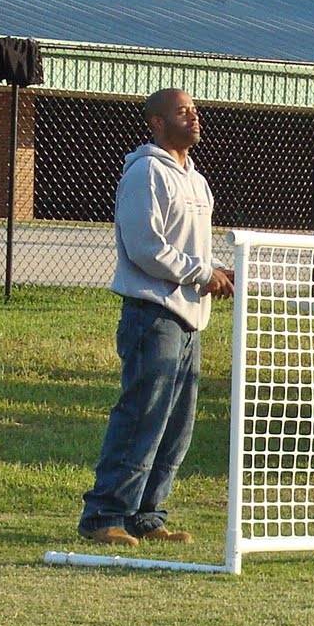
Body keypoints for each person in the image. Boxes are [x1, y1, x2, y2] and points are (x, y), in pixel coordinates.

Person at [79, 88, 232, 547]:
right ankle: (104, 514)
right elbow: (147, 248)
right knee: (141, 416)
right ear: (158, 123)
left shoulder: (196, 180)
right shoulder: (146, 172)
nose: (194, 118)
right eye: (183, 112)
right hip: (153, 314)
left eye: (196, 111)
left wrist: (215, 272)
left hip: (190, 319)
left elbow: (191, 249)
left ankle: (147, 515)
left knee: (176, 425)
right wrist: (202, 274)